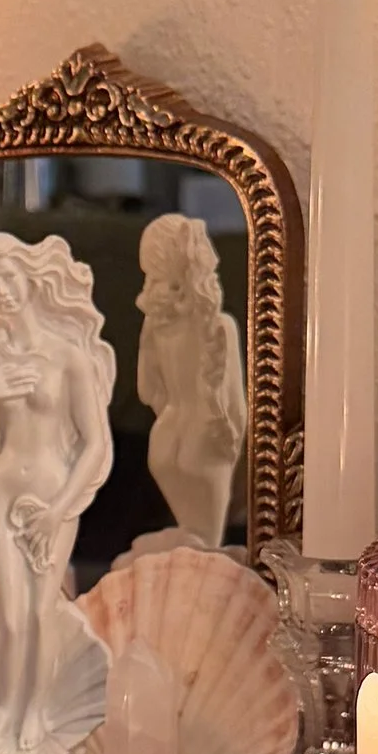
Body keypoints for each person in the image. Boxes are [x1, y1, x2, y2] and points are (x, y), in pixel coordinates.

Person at [0, 233, 117, 754]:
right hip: (4, 491)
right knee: (12, 616)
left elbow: (96, 444)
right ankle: (7, 710)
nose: (1, 291)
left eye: (8, 279)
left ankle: (36, 714)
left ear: (30, 282)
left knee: (43, 611)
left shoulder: (68, 357)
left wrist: (60, 507)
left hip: (50, 495)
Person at [135, 213, 245, 548]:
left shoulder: (159, 325)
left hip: (175, 431)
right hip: (201, 432)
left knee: (195, 532)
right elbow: (235, 405)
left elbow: (147, 390)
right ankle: (196, 553)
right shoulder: (214, 327)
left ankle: (195, 554)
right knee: (206, 542)